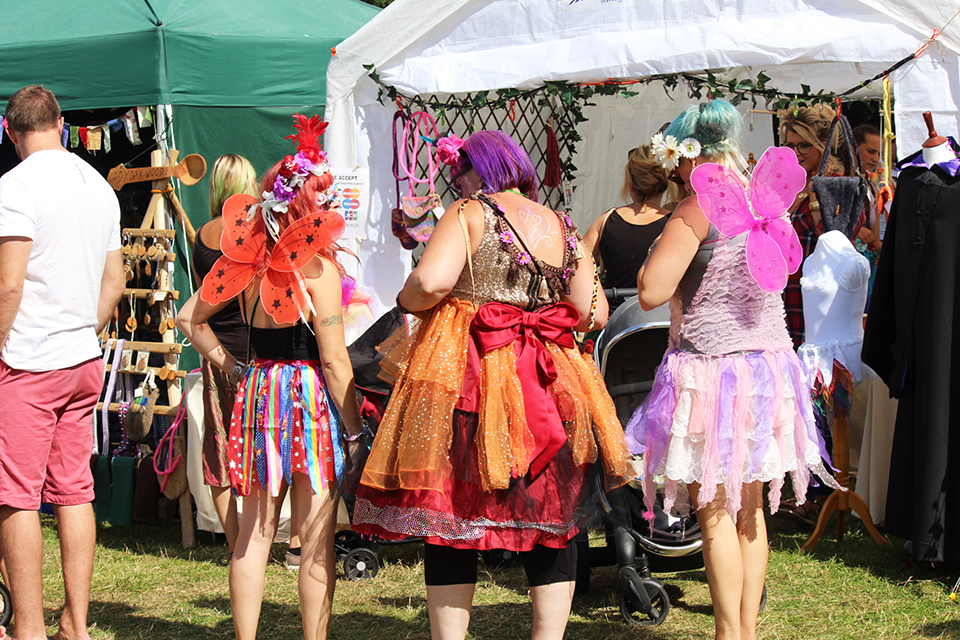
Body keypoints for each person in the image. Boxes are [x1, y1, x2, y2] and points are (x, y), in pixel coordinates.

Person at [352, 130, 630, 640]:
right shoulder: (562, 224)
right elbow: (593, 312)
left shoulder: (470, 212)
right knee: (549, 514)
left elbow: (431, 282)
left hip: (473, 376)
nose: (457, 185)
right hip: (548, 381)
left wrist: (408, 298)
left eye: (458, 175)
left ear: (478, 171)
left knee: (451, 513)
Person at [625, 100, 837, 640]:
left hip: (714, 372)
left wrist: (656, 250)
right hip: (768, 369)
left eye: (675, 160)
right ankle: (745, 631)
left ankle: (728, 634)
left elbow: (650, 292)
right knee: (751, 509)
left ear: (687, 156)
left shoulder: (698, 207)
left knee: (715, 508)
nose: (674, 172)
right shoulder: (763, 199)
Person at [177, 115, 363, 640]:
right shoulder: (319, 272)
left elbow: (191, 319)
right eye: (324, 198)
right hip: (305, 397)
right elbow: (335, 362)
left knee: (253, 536)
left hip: (258, 391)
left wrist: (235, 368)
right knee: (315, 539)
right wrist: (354, 429)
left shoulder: (247, 264)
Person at [0, 85, 124, 640]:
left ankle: (27, 628)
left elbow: (8, 286)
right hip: (81, 358)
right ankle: (76, 623)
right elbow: (115, 283)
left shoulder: (15, 185)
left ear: (11, 132)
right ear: (61, 123)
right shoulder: (97, 185)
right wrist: (80, 331)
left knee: (15, 497)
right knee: (75, 490)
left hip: (28, 361)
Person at [192, 154, 258, 561]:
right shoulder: (253, 233)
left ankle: (236, 544)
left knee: (218, 449)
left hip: (214, 351)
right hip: (253, 354)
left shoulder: (202, 235)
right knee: (262, 447)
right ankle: (269, 543)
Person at [581, 145, 671, 295]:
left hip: (614, 308)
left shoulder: (606, 221)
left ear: (631, 184)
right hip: (661, 309)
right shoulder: (675, 223)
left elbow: (577, 265)